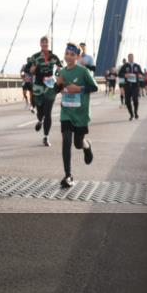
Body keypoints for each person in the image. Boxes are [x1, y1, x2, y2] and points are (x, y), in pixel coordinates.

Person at [56, 42, 97, 187]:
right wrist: (57, 84)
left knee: (77, 144)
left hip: (81, 114)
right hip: (66, 113)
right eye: (67, 53)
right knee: (66, 142)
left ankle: (87, 145)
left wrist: (78, 88)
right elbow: (56, 90)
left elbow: (94, 87)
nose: (68, 56)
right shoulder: (62, 72)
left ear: (77, 57)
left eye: (72, 54)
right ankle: (68, 176)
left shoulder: (83, 71)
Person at [27, 36, 62, 147]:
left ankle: (46, 137)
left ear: (49, 44)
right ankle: (40, 120)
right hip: (38, 87)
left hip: (50, 86)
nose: (45, 44)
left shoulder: (54, 57)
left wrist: (58, 75)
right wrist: (34, 67)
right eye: (43, 42)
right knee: (40, 111)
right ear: (40, 44)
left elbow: (59, 70)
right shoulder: (35, 57)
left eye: (46, 42)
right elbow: (29, 71)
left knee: (48, 113)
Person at [117, 53, 144, 120]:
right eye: (129, 57)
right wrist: (125, 75)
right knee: (127, 102)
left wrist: (141, 75)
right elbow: (119, 74)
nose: (130, 58)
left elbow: (142, 74)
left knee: (135, 99)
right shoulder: (125, 66)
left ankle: (135, 112)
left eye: (132, 57)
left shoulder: (137, 66)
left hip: (135, 86)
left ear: (133, 58)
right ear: (128, 58)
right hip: (127, 86)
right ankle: (131, 114)